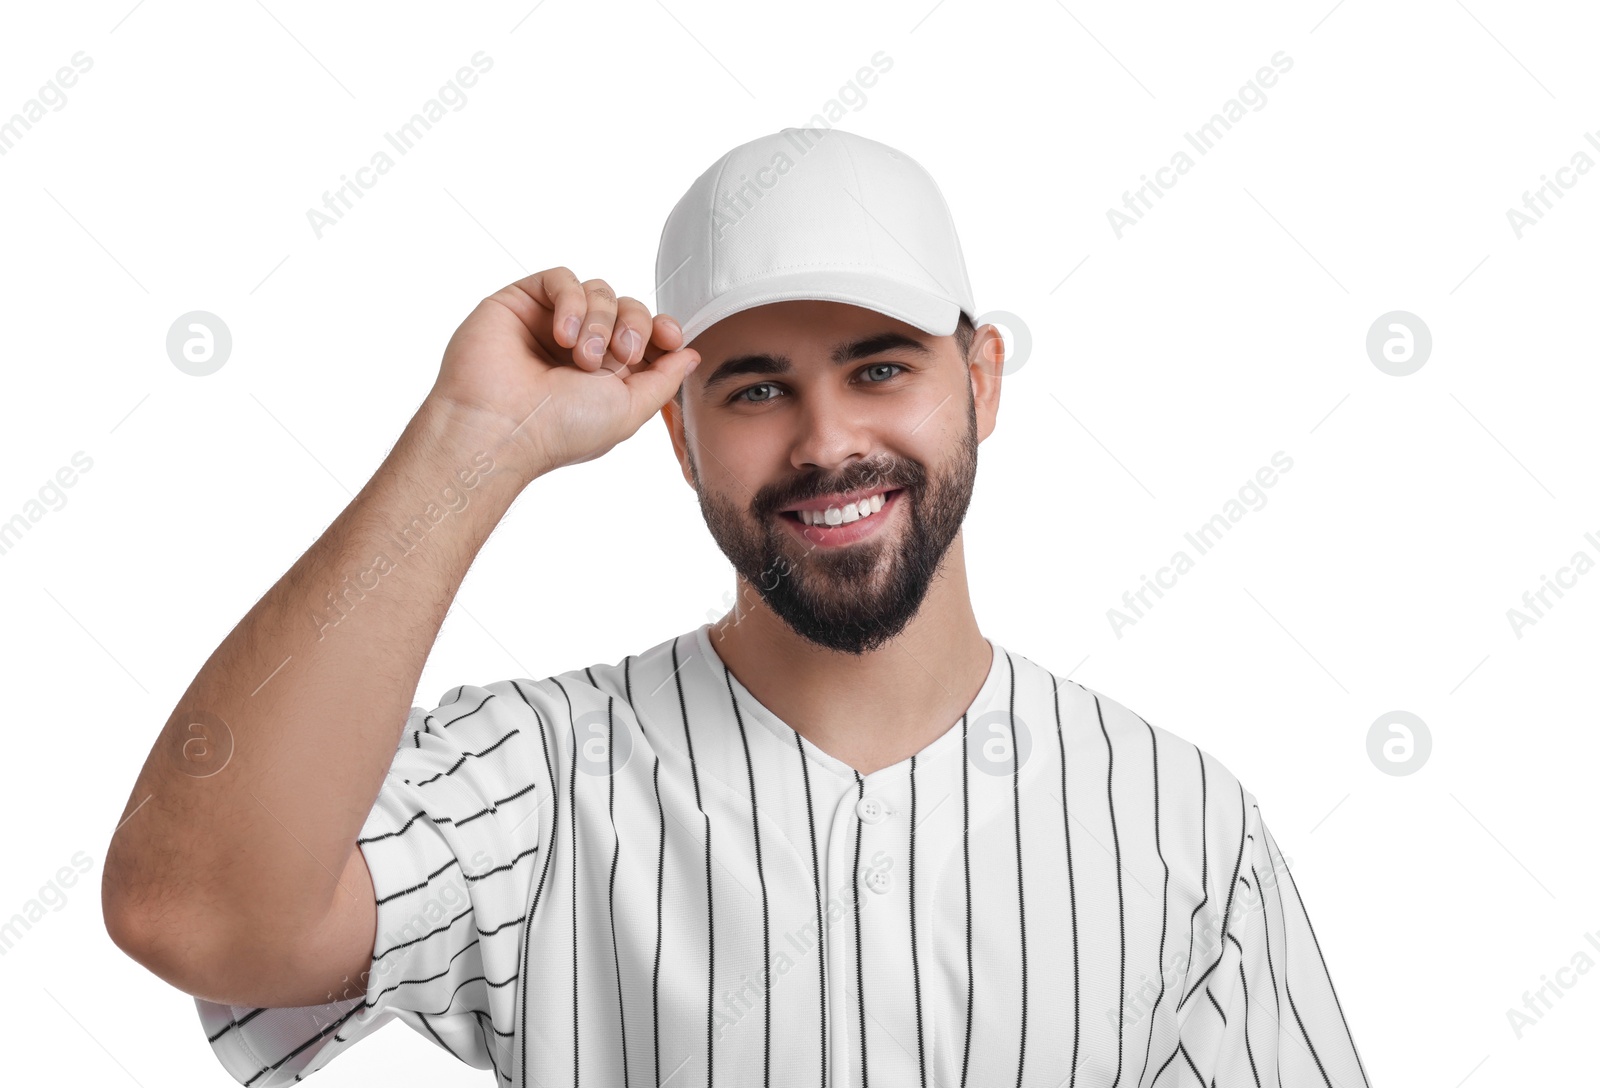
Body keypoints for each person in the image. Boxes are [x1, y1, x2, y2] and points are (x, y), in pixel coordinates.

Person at [102, 128, 1371, 1087]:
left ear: (980, 380)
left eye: (881, 366)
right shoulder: (539, 775)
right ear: (678, 432)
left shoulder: (1177, 816)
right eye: (757, 388)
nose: (828, 442)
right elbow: (196, 913)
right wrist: (468, 443)